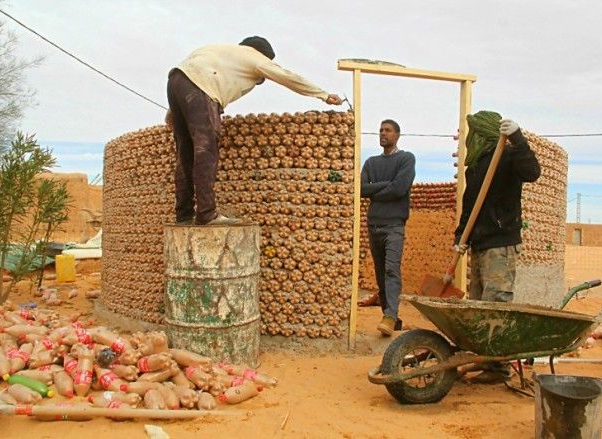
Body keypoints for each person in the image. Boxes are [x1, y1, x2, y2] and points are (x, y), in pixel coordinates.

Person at [166, 36, 342, 225]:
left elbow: (188, 78)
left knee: (184, 154)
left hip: (175, 81)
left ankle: (183, 214)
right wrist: (322, 95)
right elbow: (287, 77)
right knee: (205, 150)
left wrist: (175, 112)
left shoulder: (220, 51)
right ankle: (206, 213)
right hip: (202, 87)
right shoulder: (254, 57)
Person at [454, 110, 541, 382]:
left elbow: (533, 172)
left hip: (501, 244)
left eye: (475, 133)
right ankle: (485, 361)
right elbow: (471, 204)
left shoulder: (509, 155)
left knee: (496, 305)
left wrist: (518, 138)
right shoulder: (477, 165)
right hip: (480, 243)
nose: (471, 139)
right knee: (481, 306)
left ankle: (498, 368)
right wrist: (461, 238)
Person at [360, 120, 416, 336]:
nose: (383, 133)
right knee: (380, 275)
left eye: (388, 130)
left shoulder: (406, 158)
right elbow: (362, 189)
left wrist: (377, 189)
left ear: (397, 135)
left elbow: (400, 189)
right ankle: (392, 319)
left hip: (394, 226)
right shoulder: (371, 162)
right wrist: (387, 184)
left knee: (392, 269)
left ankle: (390, 316)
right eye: (381, 130)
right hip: (374, 225)